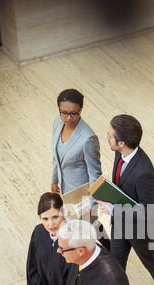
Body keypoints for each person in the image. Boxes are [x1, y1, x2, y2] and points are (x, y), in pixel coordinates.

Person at [96, 114, 154, 285]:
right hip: (121, 222)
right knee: (116, 260)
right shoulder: (119, 152)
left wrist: (112, 209)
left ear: (121, 142)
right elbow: (121, 184)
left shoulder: (144, 173)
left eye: (110, 135)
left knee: (151, 259)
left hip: (139, 228)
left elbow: (147, 212)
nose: (107, 137)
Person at [51, 88, 109, 250]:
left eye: (73, 113)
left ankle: (98, 257)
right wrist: (54, 179)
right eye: (64, 113)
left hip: (82, 193)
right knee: (93, 226)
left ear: (80, 110)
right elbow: (56, 155)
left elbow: (95, 174)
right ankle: (113, 251)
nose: (68, 118)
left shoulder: (88, 138)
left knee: (80, 230)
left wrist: (90, 203)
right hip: (65, 188)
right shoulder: (58, 122)